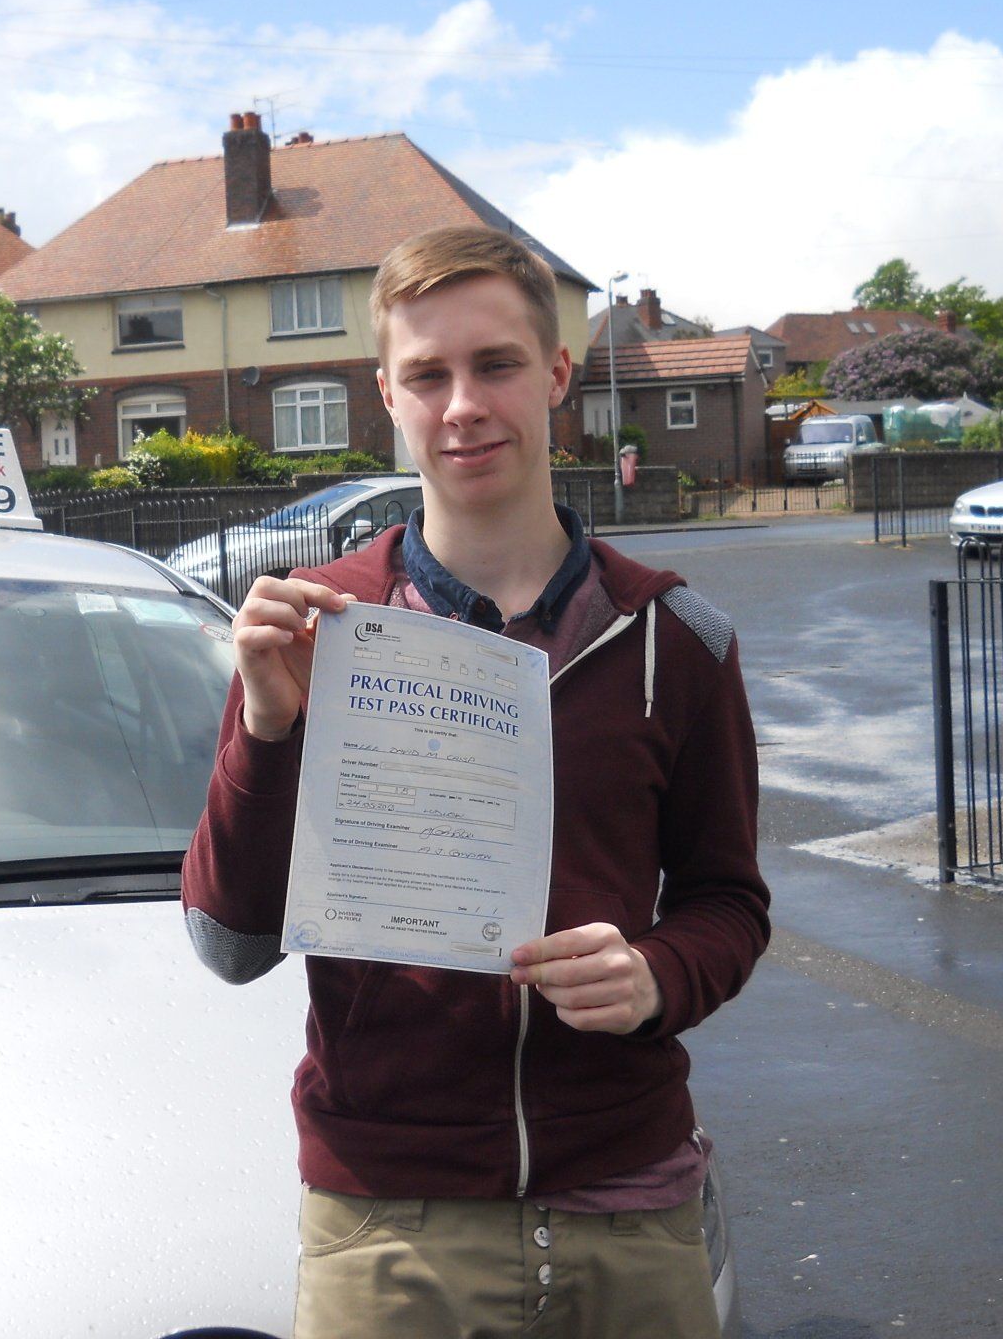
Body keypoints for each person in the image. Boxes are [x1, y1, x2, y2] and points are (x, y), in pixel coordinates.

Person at [182, 225, 770, 1338]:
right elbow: (230, 943)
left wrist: (655, 975)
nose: (463, 406)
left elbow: (728, 903)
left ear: (556, 375)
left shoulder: (677, 636)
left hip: (632, 1205)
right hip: (389, 1216)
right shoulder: (317, 631)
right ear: (386, 395)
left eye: (496, 364)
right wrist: (267, 730)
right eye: (427, 375)